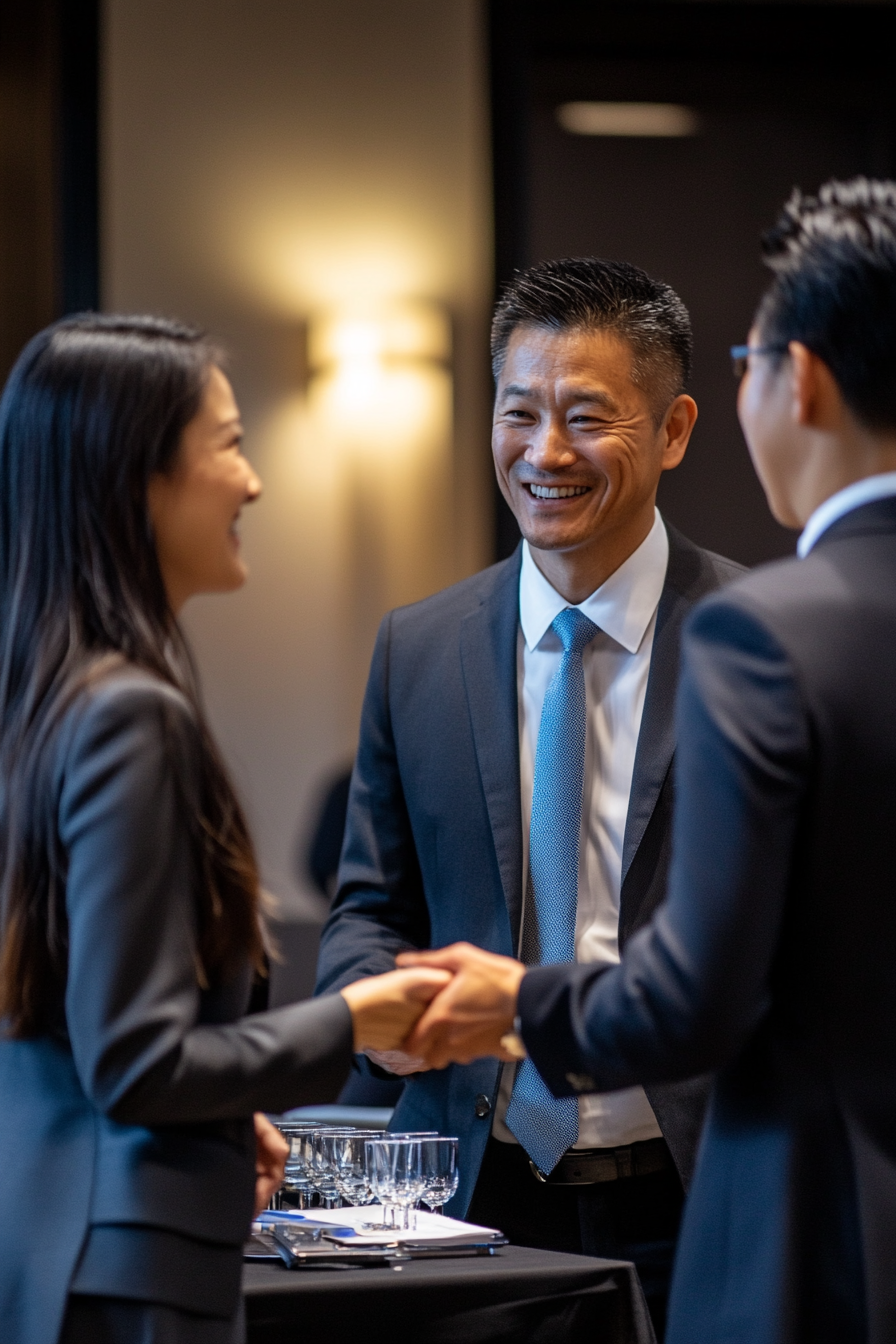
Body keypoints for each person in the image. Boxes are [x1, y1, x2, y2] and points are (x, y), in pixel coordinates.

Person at [400, 177, 896, 1344]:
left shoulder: (764, 629)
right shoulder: (420, 646)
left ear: (798, 378)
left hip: (798, 1221)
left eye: (747, 356)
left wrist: (511, 1001)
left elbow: (694, 998)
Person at [0, 314, 449, 1344]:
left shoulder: (44, 698)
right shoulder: (129, 715)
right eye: (230, 443)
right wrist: (361, 1019)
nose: (252, 482)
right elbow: (135, 1062)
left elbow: (69, 1027)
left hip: (52, 1234)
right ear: (139, 475)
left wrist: (217, 1109)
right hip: (126, 1262)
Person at [315, 256, 742, 1333]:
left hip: (697, 1189)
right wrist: (381, 1017)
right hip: (473, 1200)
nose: (544, 453)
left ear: (674, 429)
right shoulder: (419, 647)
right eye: (518, 413)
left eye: (586, 417)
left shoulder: (755, 644)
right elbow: (369, 905)